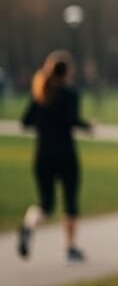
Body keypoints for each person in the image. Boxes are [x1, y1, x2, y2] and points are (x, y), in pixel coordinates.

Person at [17, 51, 93, 263]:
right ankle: (71, 248)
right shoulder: (70, 95)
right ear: (67, 72)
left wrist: (44, 124)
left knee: (45, 204)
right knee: (70, 203)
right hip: (66, 155)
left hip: (43, 156)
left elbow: (25, 122)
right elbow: (72, 120)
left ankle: (28, 226)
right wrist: (88, 126)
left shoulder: (39, 94)